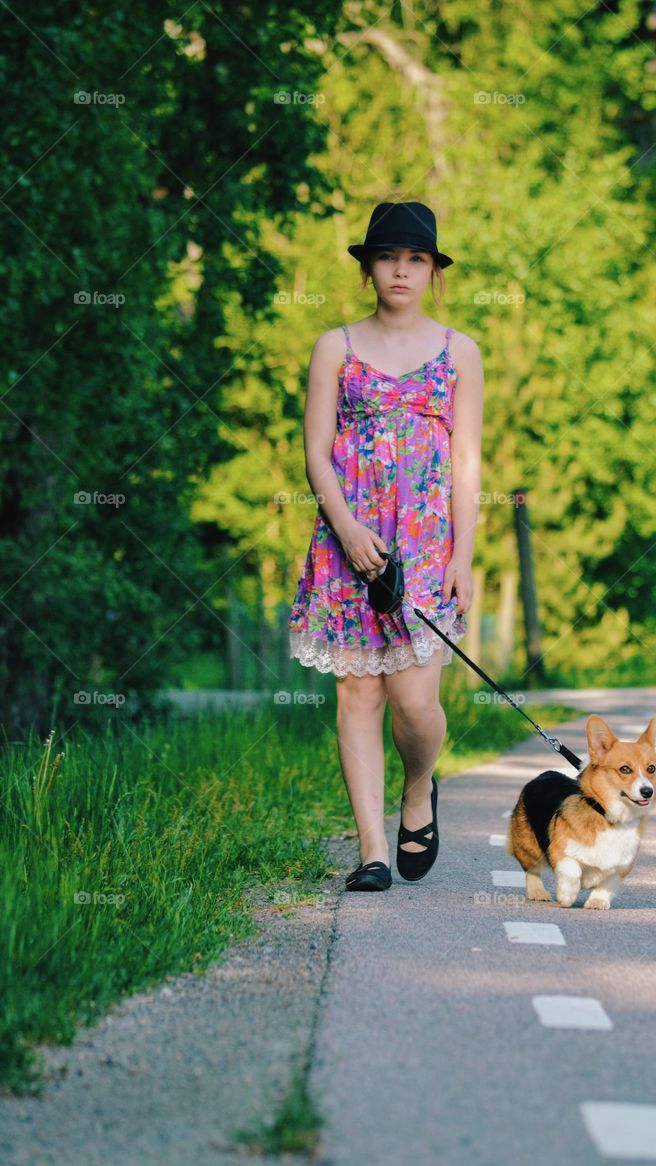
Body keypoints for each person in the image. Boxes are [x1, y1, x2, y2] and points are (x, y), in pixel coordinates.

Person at [289, 200, 484, 892]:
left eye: (415, 259)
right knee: (358, 692)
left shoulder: (459, 351)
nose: (400, 270)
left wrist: (462, 557)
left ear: (432, 272)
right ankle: (371, 850)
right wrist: (342, 525)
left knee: (413, 704)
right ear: (368, 268)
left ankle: (419, 786)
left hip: (427, 543)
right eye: (387, 258)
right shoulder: (334, 346)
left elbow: (466, 460)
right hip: (349, 538)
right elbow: (315, 451)